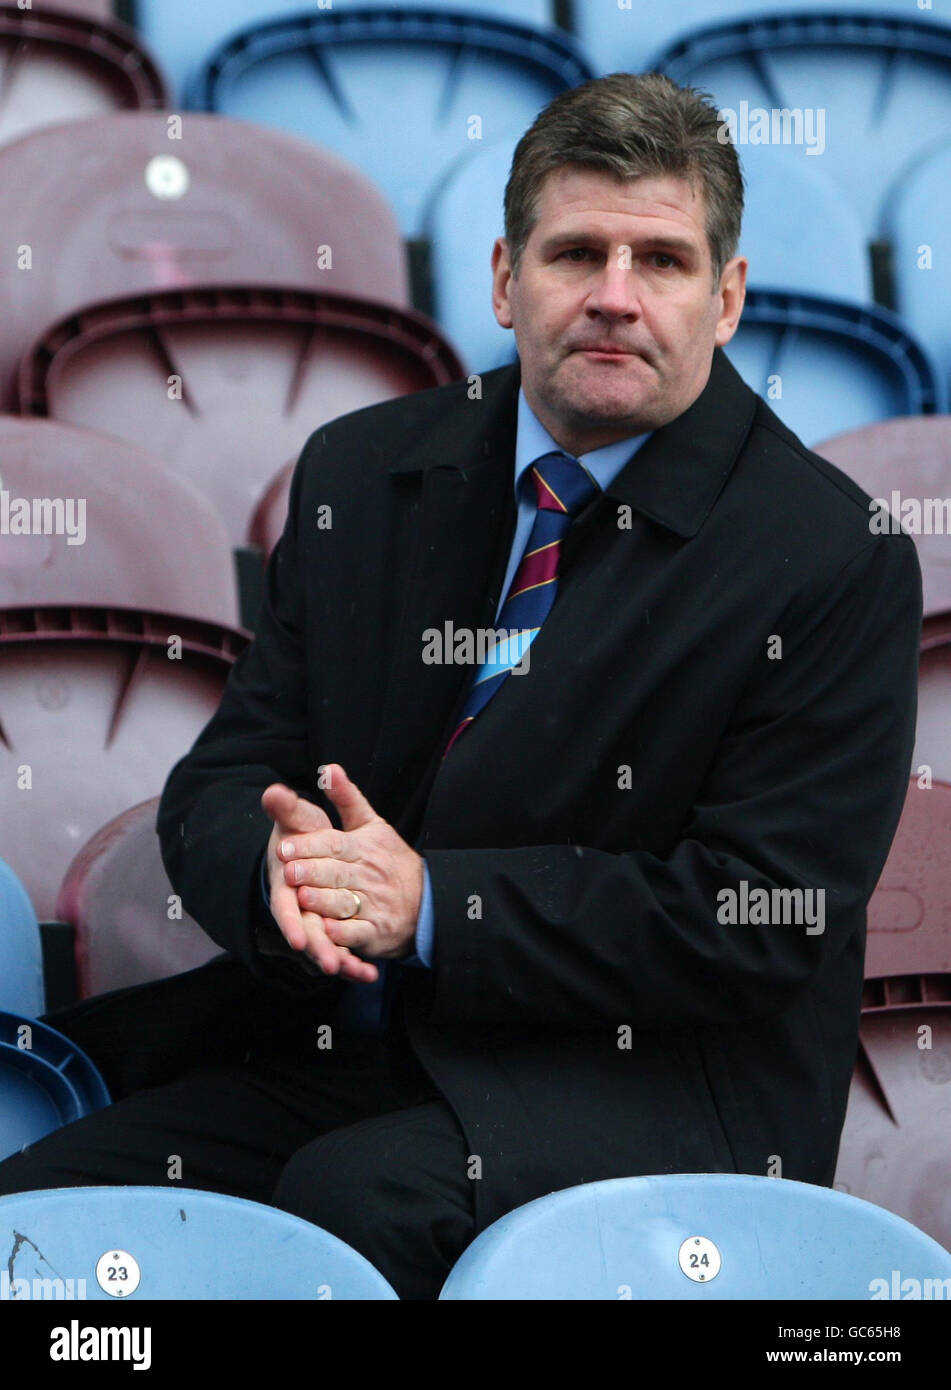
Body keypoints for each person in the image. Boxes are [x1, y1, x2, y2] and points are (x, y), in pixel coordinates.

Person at [0, 73, 921, 1300]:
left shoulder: (830, 556)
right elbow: (223, 778)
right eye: (576, 251)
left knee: (349, 1206)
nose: (614, 295)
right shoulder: (362, 470)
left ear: (730, 298)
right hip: (350, 1041)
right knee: (41, 1216)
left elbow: (754, 911)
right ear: (502, 278)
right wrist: (287, 881)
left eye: (662, 260)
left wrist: (437, 905)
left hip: (656, 1084)